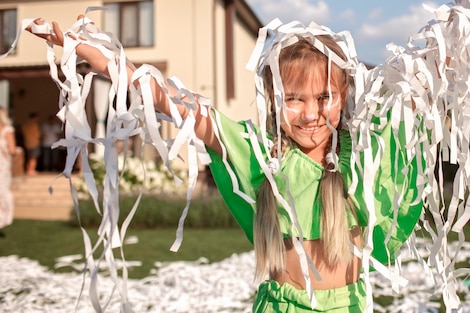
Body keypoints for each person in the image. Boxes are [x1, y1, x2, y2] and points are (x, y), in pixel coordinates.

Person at [28, 17, 423, 312]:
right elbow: (163, 96)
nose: (310, 114)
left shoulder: (367, 155)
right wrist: (80, 47)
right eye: (294, 98)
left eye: (324, 97)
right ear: (272, 98)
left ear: (344, 94)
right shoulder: (257, 154)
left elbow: (434, 77)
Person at [0, 107, 17, 235]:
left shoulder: (7, 130)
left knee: (3, 189)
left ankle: (5, 217)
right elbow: (12, 150)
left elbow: (12, 150)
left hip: (3, 164)